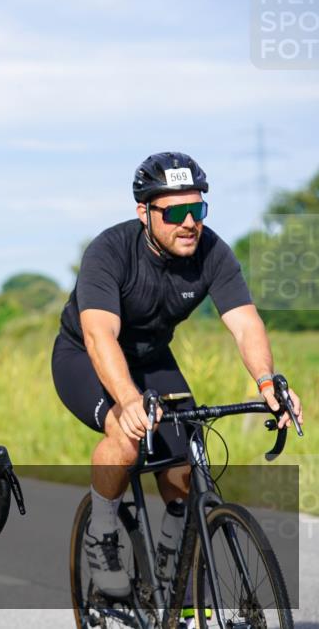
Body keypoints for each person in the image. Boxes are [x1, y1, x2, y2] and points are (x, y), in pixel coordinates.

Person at [52, 152, 304, 605]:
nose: (190, 223)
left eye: (198, 210)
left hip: (152, 357)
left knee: (188, 452)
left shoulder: (212, 252)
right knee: (126, 434)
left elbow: (246, 323)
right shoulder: (109, 252)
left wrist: (267, 382)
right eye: (175, 213)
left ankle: (172, 554)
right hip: (86, 356)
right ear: (144, 213)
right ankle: (102, 533)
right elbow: (99, 334)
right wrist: (128, 402)